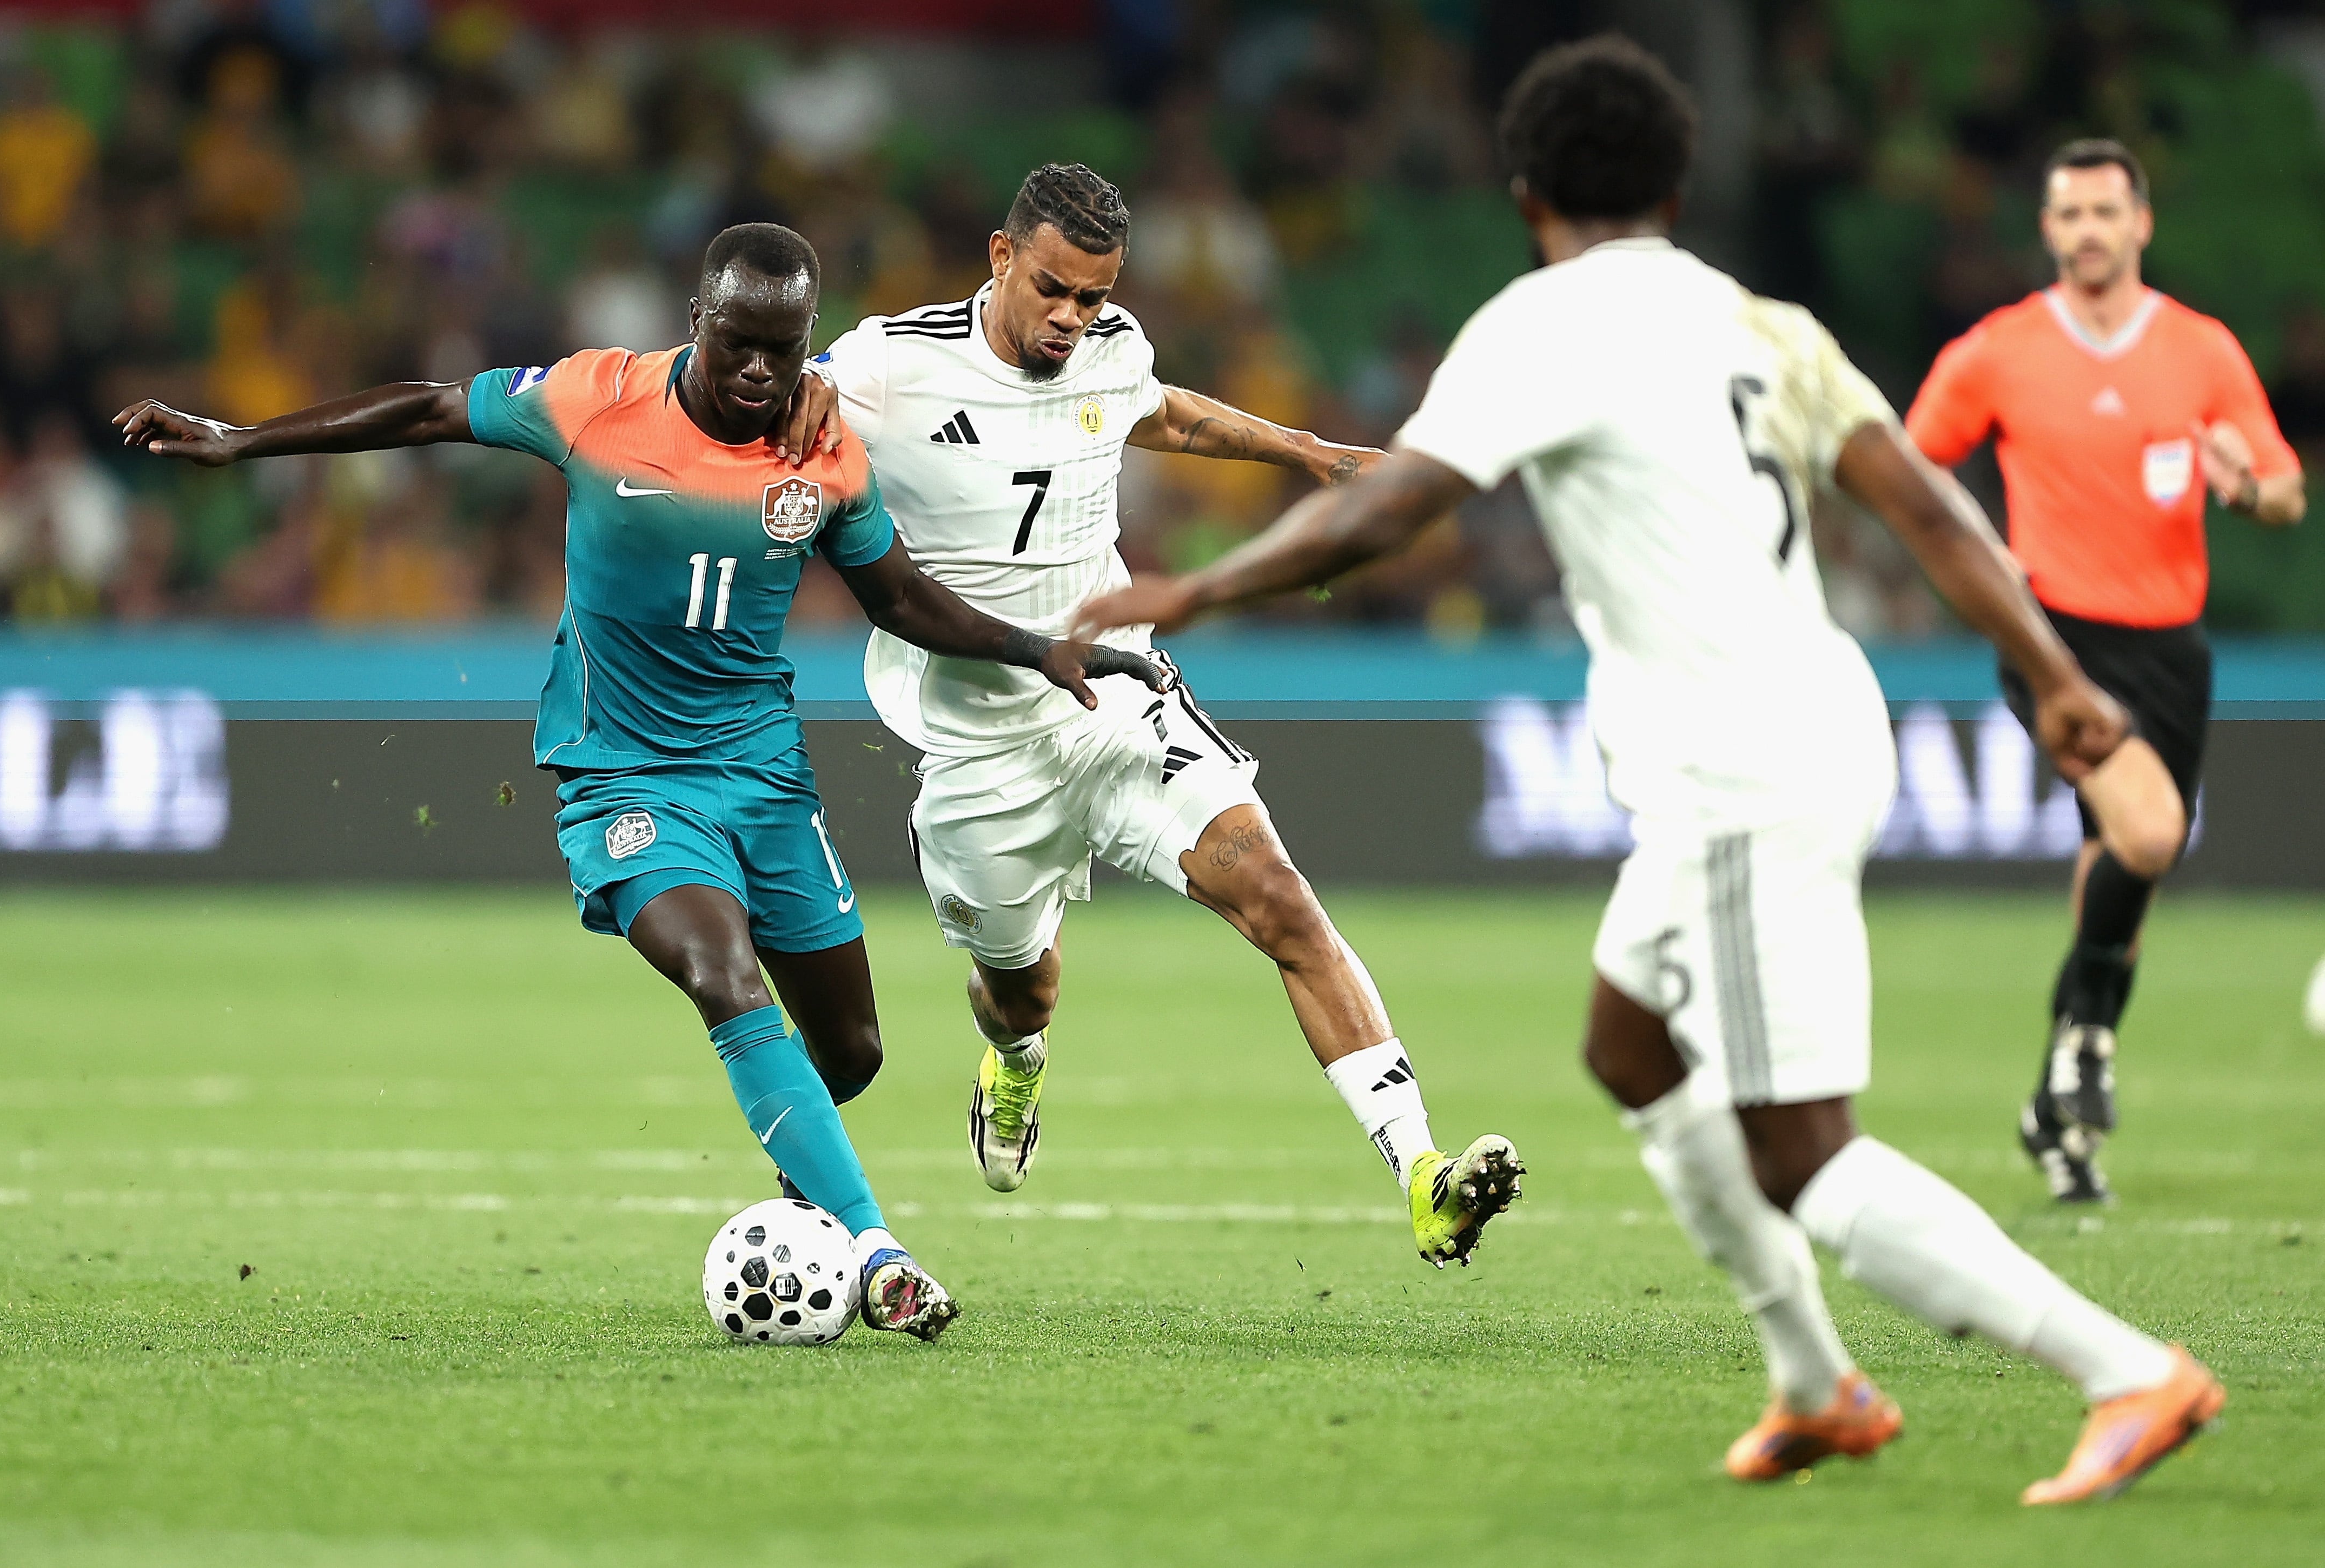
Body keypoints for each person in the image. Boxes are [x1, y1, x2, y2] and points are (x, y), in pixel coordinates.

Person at [1073, 37, 2222, 1506]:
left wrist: (1190, 592)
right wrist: (2054, 679)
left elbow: (1386, 515)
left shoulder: (1539, 327)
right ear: (1675, 184)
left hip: (1738, 763)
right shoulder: (1763, 322)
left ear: (1521, 192)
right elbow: (1927, 510)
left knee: (1803, 1149)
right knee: (1625, 1042)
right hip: (1814, 718)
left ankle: (2122, 1371)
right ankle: (1813, 1383)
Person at [114, 222, 1167, 1343]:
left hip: (763, 779)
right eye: (739, 345)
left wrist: (1036, 649)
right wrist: (240, 440)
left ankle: (809, 1205)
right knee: (723, 970)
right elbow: (429, 405)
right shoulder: (593, 401)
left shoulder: (824, 454)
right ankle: (877, 1251)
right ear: (696, 325)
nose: (761, 372)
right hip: (624, 776)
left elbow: (903, 600)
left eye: (784, 350)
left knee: (852, 1052)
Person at [796, 163, 1522, 1266]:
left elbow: (1161, 409)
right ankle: (1018, 1060)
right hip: (980, 747)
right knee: (1018, 987)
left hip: (1122, 701)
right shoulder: (890, 365)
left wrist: (1303, 449)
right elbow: (761, 398)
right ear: (1000, 257)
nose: (1071, 319)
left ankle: (1422, 1174)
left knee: (1281, 899)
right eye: (1052, 289)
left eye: (1092, 298)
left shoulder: (1109, 345)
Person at [1904, 139, 2306, 1204]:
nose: (2087, 230)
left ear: (2141, 224)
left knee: (2119, 870)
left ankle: (2055, 1101)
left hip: (2173, 646)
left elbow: (2286, 487)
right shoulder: (2000, 350)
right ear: (2048, 229)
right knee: (2154, 833)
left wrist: (2247, 490)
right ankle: (2086, 1044)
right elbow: (1910, 463)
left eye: (2105, 213)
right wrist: (1978, 557)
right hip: (2055, 644)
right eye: (2069, 213)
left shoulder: (2202, 350)